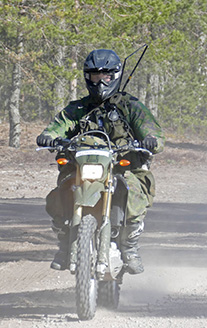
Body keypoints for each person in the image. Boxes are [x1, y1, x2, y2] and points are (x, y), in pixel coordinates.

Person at [36, 49, 164, 274]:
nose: (100, 81)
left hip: (121, 166)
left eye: (105, 76)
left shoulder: (129, 106)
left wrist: (151, 139)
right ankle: (65, 245)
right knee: (59, 194)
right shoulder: (77, 108)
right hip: (82, 166)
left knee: (134, 193)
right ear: (87, 78)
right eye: (95, 76)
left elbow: (150, 128)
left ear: (115, 76)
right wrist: (50, 135)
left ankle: (129, 247)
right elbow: (59, 125)